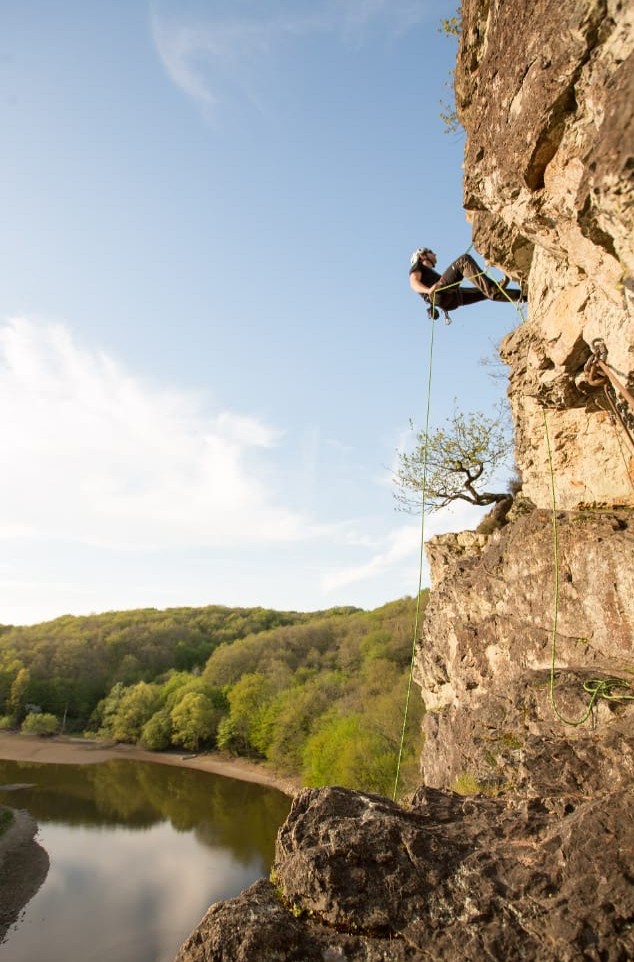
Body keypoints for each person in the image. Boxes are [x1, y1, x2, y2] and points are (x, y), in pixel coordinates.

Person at [409, 247, 524, 321]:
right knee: (463, 261)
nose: (435, 253)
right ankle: (493, 288)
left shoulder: (430, 273)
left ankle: (524, 296)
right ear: (422, 256)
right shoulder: (418, 266)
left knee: (484, 292)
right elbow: (413, 282)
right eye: (430, 252)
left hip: (452, 298)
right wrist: (428, 291)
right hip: (439, 294)